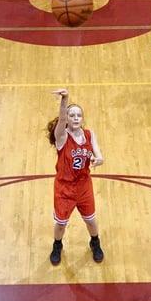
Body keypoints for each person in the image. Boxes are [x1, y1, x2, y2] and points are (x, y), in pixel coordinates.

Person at [46, 88, 104, 265]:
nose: (76, 118)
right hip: (65, 188)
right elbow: (62, 119)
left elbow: (99, 155)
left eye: (79, 115)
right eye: (72, 115)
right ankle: (57, 245)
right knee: (61, 224)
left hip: (84, 185)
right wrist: (65, 100)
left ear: (83, 118)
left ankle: (95, 242)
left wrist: (97, 159)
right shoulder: (61, 136)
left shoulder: (89, 134)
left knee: (91, 220)